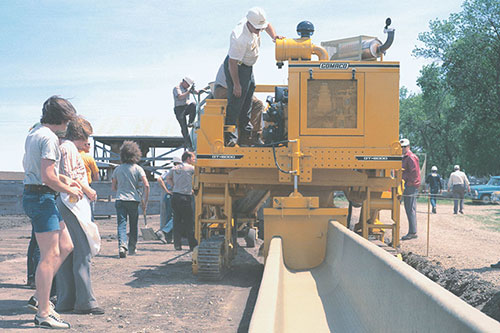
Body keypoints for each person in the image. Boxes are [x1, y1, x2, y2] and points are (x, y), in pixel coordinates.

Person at [22, 95, 83, 329]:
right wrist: (69, 189)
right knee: (49, 255)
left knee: (66, 246)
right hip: (41, 197)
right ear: (62, 119)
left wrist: (65, 180)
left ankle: (40, 296)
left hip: (38, 194)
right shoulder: (49, 138)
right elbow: (47, 177)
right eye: (68, 119)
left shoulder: (35, 132)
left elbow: (39, 169)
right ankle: (43, 312)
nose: (68, 125)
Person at [55, 117, 104, 315]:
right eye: (86, 136)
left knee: (70, 252)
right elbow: (71, 175)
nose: (88, 141)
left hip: (69, 201)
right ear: (80, 134)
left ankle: (67, 299)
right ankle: (85, 301)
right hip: (72, 202)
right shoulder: (68, 148)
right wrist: (88, 189)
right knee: (82, 250)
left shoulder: (65, 147)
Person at [224, 7, 282, 146]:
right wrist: (237, 85)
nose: (259, 31)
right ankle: (230, 137)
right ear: (249, 24)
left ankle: (246, 137)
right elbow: (232, 63)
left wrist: (274, 37)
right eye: (257, 29)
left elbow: (267, 25)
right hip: (237, 68)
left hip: (248, 67)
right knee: (236, 102)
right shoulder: (239, 37)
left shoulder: (256, 22)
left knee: (248, 100)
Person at [112, 141, 150, 258]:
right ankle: (132, 247)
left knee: (121, 224)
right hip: (134, 200)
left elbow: (113, 188)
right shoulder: (138, 169)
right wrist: (145, 201)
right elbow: (147, 185)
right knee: (133, 224)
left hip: (120, 199)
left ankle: (122, 245)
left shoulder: (117, 169)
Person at [214, 63, 264, 146]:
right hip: (223, 90)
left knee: (257, 104)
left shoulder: (245, 65)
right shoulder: (233, 63)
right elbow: (236, 86)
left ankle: (253, 137)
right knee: (241, 100)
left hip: (237, 89)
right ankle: (230, 137)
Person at [166, 151, 198, 251]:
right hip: (185, 197)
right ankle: (192, 245)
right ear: (188, 159)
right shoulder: (190, 168)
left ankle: (177, 244)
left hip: (175, 196)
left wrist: (174, 186)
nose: (194, 160)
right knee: (189, 222)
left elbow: (168, 178)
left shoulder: (175, 168)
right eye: (193, 158)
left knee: (177, 221)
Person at [157, 157, 183, 243]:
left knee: (170, 216)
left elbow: (159, 179)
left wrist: (166, 191)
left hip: (168, 196)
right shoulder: (177, 172)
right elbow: (159, 179)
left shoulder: (169, 171)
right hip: (174, 195)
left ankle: (168, 237)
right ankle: (164, 231)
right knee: (178, 215)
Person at [400, 138, 421, 240]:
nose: (403, 149)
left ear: (408, 147)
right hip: (407, 185)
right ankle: (412, 231)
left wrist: (410, 183)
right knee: (408, 208)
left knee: (410, 208)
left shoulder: (411, 157)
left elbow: (414, 173)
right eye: (401, 147)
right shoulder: (404, 158)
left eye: (404, 147)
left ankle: (412, 232)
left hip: (410, 186)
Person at [77, 137, 99, 220]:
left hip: (75, 184)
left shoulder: (75, 155)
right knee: (89, 209)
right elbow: (96, 172)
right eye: (88, 144)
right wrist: (96, 181)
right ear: (84, 145)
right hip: (87, 184)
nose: (89, 146)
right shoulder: (88, 157)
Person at [173, 77, 197, 151]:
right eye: (188, 85)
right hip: (179, 109)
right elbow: (180, 97)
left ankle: (190, 122)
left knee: (193, 104)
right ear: (184, 82)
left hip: (185, 107)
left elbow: (196, 92)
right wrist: (189, 91)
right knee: (184, 127)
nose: (188, 87)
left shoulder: (187, 89)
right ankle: (189, 145)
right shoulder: (177, 88)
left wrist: (203, 90)